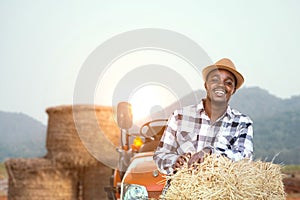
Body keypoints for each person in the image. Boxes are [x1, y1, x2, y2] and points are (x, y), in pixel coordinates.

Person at [153, 58, 254, 176]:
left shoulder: (242, 122)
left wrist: (210, 153)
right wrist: (175, 161)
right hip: (181, 190)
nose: (221, 85)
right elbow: (161, 154)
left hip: (222, 192)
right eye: (215, 80)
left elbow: (245, 158)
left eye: (228, 83)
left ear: (233, 90)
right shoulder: (179, 116)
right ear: (206, 85)